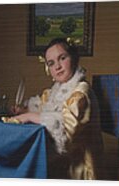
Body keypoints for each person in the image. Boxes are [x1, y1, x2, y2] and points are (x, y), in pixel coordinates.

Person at [9, 37, 104, 179]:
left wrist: (28, 117)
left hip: (79, 170)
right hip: (61, 163)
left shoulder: (81, 93)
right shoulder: (57, 89)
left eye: (62, 58)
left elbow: (64, 129)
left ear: (74, 58)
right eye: (51, 63)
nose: (57, 66)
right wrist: (25, 111)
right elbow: (46, 110)